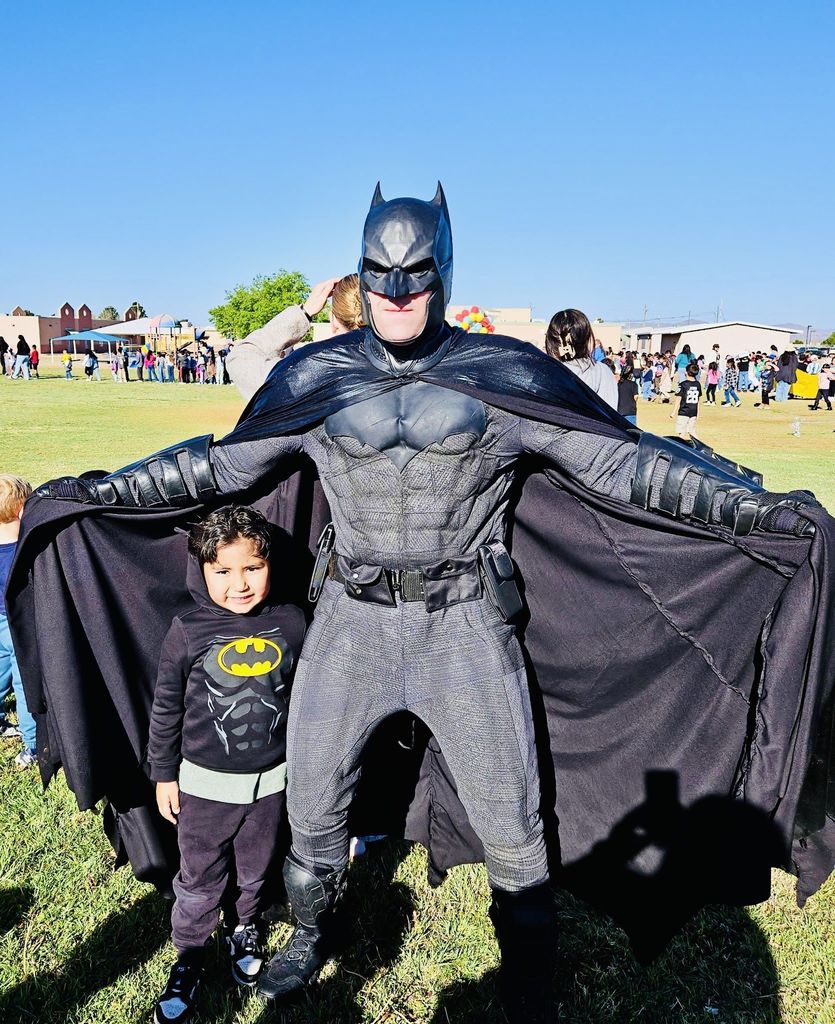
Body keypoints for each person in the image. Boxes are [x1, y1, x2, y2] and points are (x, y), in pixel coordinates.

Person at [16, 185, 834, 1024]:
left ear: (443, 271)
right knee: (313, 803)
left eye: (413, 274)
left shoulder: (502, 377)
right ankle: (309, 930)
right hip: (349, 622)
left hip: (465, 626)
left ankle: (527, 980)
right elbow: (220, 470)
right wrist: (102, 489)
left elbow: (624, 468)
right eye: (379, 275)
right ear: (359, 274)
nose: (396, 292)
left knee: (512, 817)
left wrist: (746, 507)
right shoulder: (317, 377)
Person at [149, 505, 304, 1024]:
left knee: (256, 867)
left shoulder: (292, 621)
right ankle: (190, 954)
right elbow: (166, 706)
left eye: (251, 568)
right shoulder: (188, 631)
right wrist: (163, 774)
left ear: (269, 566)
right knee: (199, 876)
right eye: (223, 571)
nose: (239, 584)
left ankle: (245, 927)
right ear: (203, 571)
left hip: (271, 785)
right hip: (204, 787)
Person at [226, 275, 349, 402]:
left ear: (333, 320)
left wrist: (305, 312)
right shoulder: (369, 369)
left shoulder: (309, 371)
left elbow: (239, 358)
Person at [0, 475, 37, 767]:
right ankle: (33, 746)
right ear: (21, 509)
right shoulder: (27, 549)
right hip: (18, 624)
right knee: (25, 682)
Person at [544, 308, 618, 409]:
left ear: (552, 342)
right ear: (586, 338)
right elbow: (611, 412)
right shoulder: (603, 371)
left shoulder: (546, 372)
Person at [672, 362, 702, 438]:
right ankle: (700, 447)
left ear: (686, 372)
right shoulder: (698, 384)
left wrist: (673, 412)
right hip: (693, 411)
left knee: (681, 432)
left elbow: (678, 398)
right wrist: (698, 412)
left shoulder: (683, 384)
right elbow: (698, 400)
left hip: (683, 411)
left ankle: (680, 448)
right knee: (691, 431)